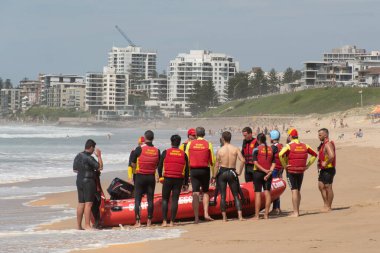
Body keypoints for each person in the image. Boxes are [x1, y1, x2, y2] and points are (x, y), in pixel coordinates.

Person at [279, 128, 317, 217]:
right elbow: (315, 154)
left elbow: (280, 154)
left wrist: (284, 165)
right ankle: (297, 211)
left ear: (291, 136)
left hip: (291, 170)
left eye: (288, 135)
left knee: (294, 191)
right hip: (301, 170)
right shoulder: (305, 145)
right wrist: (308, 165)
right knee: (298, 190)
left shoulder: (288, 146)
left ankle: (295, 212)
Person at [185, 126, 215, 223]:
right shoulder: (208, 144)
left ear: (196, 134)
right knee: (205, 192)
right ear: (204, 134)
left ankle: (196, 218)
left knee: (195, 192)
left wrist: (187, 174)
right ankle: (206, 214)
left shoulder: (190, 144)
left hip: (194, 171)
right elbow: (212, 161)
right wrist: (213, 175)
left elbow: (186, 159)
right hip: (204, 170)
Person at [158, 135, 189, 227]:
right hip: (178, 180)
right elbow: (187, 170)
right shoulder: (183, 154)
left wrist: (160, 177)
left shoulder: (165, 152)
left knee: (165, 199)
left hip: (167, 178)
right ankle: (172, 222)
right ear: (179, 143)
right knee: (175, 200)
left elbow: (159, 166)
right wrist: (186, 183)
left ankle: (164, 221)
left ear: (171, 142)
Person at [213, 131, 245, 222]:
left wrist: (214, 176)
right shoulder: (235, 149)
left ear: (223, 139)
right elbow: (242, 160)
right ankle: (240, 216)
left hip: (222, 173)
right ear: (230, 138)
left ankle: (224, 218)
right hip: (232, 172)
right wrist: (239, 171)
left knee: (223, 196)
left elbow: (216, 165)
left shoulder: (220, 150)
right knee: (235, 195)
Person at [131, 130, 160, 227]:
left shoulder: (139, 148)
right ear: (153, 138)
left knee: (138, 199)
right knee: (150, 199)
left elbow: (132, 162)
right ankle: (149, 221)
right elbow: (157, 164)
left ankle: (138, 222)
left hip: (140, 177)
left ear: (145, 137)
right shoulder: (157, 150)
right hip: (151, 177)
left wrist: (135, 169)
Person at [73, 139, 103, 230]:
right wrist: (99, 156)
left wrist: (84, 170)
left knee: (81, 203)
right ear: (90, 147)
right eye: (93, 149)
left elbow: (75, 170)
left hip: (79, 180)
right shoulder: (89, 158)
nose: (94, 151)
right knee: (88, 204)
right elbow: (100, 167)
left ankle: (78, 226)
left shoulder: (78, 156)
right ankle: (87, 225)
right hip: (88, 182)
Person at [252, 133, 276, 220]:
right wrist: (269, 172)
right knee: (267, 193)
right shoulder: (271, 149)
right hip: (268, 174)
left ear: (258, 140)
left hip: (258, 173)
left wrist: (264, 170)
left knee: (258, 193)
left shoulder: (256, 149)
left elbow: (255, 163)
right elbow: (273, 163)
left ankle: (257, 216)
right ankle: (266, 215)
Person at [317, 128, 336, 212]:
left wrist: (326, 162)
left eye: (320, 135)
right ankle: (325, 204)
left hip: (329, 169)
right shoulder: (323, 144)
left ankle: (329, 206)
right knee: (321, 186)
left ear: (325, 135)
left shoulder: (328, 144)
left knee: (328, 187)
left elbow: (332, 155)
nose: (318, 136)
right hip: (323, 169)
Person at [269, 130, 284, 215]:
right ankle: (278, 207)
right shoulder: (281, 146)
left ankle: (275, 208)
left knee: (275, 188)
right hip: (280, 169)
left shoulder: (273, 147)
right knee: (278, 187)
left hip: (275, 169)